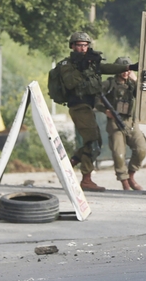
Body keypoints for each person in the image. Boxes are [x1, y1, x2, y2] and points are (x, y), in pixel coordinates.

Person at [56, 32, 136, 192]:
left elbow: (106, 68)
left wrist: (129, 67)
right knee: (92, 142)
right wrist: (83, 68)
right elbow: (70, 83)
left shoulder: (89, 61)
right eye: (79, 45)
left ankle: (67, 165)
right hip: (78, 106)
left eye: (85, 45)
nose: (82, 48)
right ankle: (86, 180)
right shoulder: (67, 64)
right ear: (72, 46)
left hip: (88, 106)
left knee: (94, 142)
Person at [100, 57, 146, 191]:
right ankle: (124, 181)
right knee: (119, 153)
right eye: (123, 70)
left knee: (141, 149)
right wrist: (105, 110)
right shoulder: (109, 84)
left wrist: (136, 80)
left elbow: (145, 96)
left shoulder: (133, 85)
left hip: (131, 121)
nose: (125, 73)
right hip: (115, 121)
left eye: (128, 70)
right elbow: (96, 98)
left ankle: (131, 175)